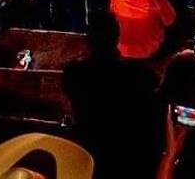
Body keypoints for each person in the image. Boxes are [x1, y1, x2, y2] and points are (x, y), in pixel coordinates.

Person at [63, 10, 161, 179]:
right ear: (117, 37)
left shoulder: (74, 72)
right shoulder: (138, 74)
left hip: (87, 145)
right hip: (125, 151)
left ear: (88, 40)